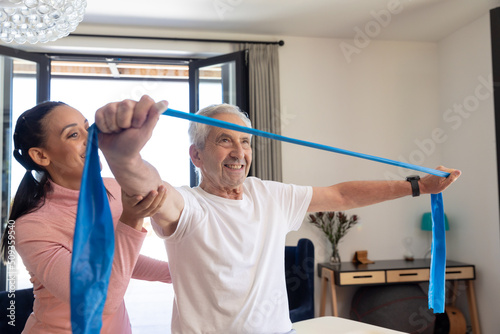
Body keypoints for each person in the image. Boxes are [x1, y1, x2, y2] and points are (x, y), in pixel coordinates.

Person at [95, 95, 461, 334]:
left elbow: (342, 195)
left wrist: (417, 187)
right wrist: (123, 157)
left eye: (245, 141)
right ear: (196, 156)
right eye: (224, 140)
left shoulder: (268, 193)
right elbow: (149, 187)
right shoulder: (189, 206)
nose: (239, 151)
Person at [0, 101, 172, 333]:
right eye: (73, 134)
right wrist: (131, 221)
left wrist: (181, 274)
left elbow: (116, 263)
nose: (91, 138)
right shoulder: (32, 226)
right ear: (41, 155)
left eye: (87, 128)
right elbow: (101, 302)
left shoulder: (112, 189)